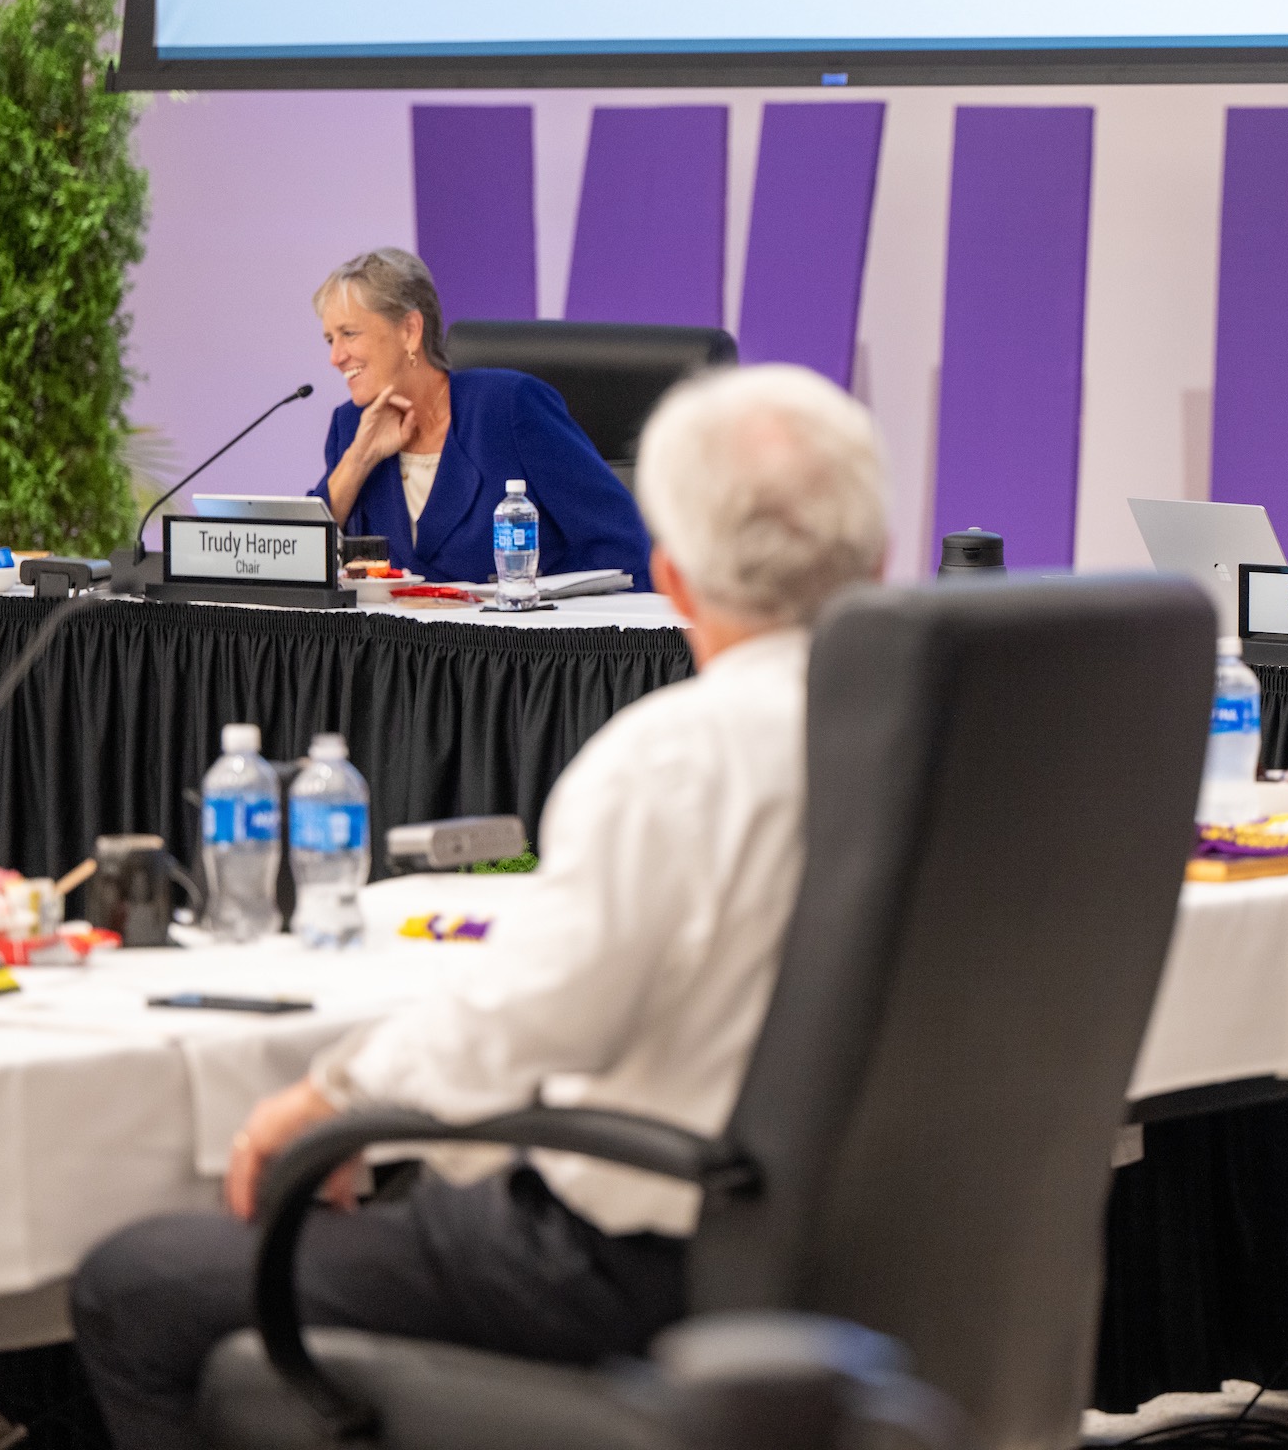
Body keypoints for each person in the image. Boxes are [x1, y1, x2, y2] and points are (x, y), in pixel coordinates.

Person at [71, 364, 888, 1450]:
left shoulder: (677, 754)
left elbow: (540, 1017)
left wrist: (327, 1101)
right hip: (892, 1260)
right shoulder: (974, 741)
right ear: (878, 558)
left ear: (673, 577)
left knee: (135, 1283)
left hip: (636, 1270)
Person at [308, 248, 654, 589]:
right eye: (329, 340)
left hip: (519, 639)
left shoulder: (508, 407)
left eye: (349, 334)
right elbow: (302, 564)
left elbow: (620, 543)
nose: (336, 357)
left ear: (410, 330)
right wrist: (358, 460)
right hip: (397, 644)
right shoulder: (350, 426)